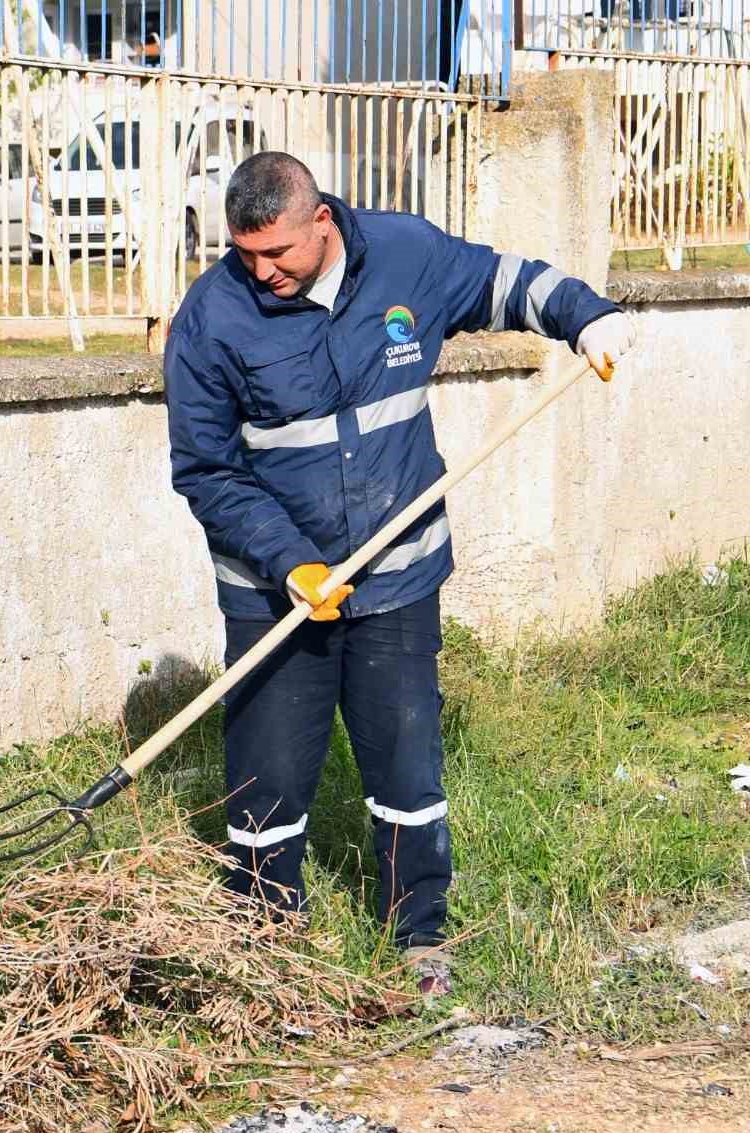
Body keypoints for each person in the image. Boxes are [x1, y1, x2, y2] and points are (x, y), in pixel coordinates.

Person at [163, 152, 637, 999]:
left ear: (321, 222)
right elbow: (205, 469)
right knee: (267, 774)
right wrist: (290, 561)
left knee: (406, 761)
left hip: (399, 575)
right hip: (278, 592)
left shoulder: (405, 255)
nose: (262, 272)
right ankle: (264, 943)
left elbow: (508, 283)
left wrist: (587, 317)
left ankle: (417, 934)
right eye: (246, 255)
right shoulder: (213, 317)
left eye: (277, 253)